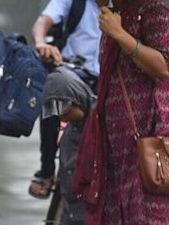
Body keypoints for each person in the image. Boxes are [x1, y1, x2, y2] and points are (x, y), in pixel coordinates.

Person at [72, 0, 169, 225]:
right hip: (114, 143)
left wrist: (120, 34)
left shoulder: (154, 11)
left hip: (147, 138)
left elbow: (163, 67)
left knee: (143, 216)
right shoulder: (113, 15)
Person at [29, 0, 101, 199]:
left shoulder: (123, 4)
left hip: (104, 80)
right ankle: (47, 170)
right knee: (53, 97)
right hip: (72, 73)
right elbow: (43, 22)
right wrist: (41, 42)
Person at [41, 66, 96, 224]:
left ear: (76, 96)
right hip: (71, 214)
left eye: (63, 107)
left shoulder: (103, 123)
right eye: (54, 109)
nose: (61, 114)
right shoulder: (67, 133)